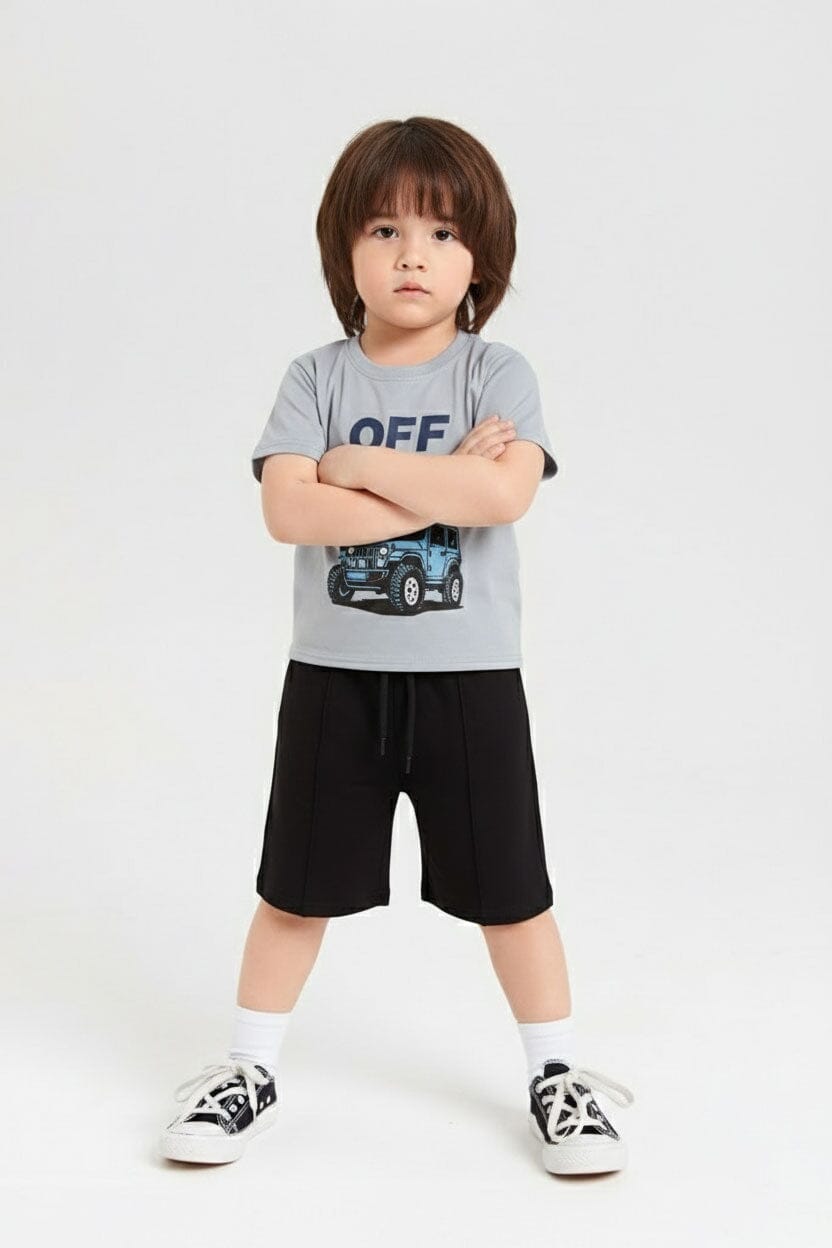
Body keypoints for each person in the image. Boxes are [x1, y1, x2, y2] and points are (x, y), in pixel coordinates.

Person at [158, 116, 634, 1175]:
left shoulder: (497, 373)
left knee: (513, 891)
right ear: (346, 251)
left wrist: (354, 467)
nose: (412, 254)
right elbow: (290, 513)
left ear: (480, 260)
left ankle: (558, 1074)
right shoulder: (314, 376)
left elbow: (502, 496)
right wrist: (437, 483)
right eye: (384, 229)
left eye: (442, 232)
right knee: (294, 889)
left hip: (470, 682)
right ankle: (249, 1068)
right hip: (335, 680)